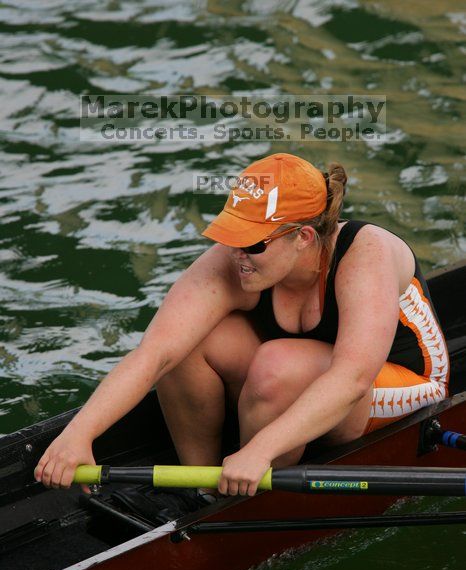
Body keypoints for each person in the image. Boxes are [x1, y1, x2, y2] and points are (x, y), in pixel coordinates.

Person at [34, 153, 449, 499]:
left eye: (253, 242)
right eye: (234, 235)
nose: (238, 254)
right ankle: (202, 489)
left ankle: (250, 496)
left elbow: (352, 378)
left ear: (303, 237)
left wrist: (259, 450)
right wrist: (79, 435)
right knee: (189, 343)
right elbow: (155, 353)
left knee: (277, 364)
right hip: (298, 375)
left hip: (402, 381)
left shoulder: (366, 253)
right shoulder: (239, 259)